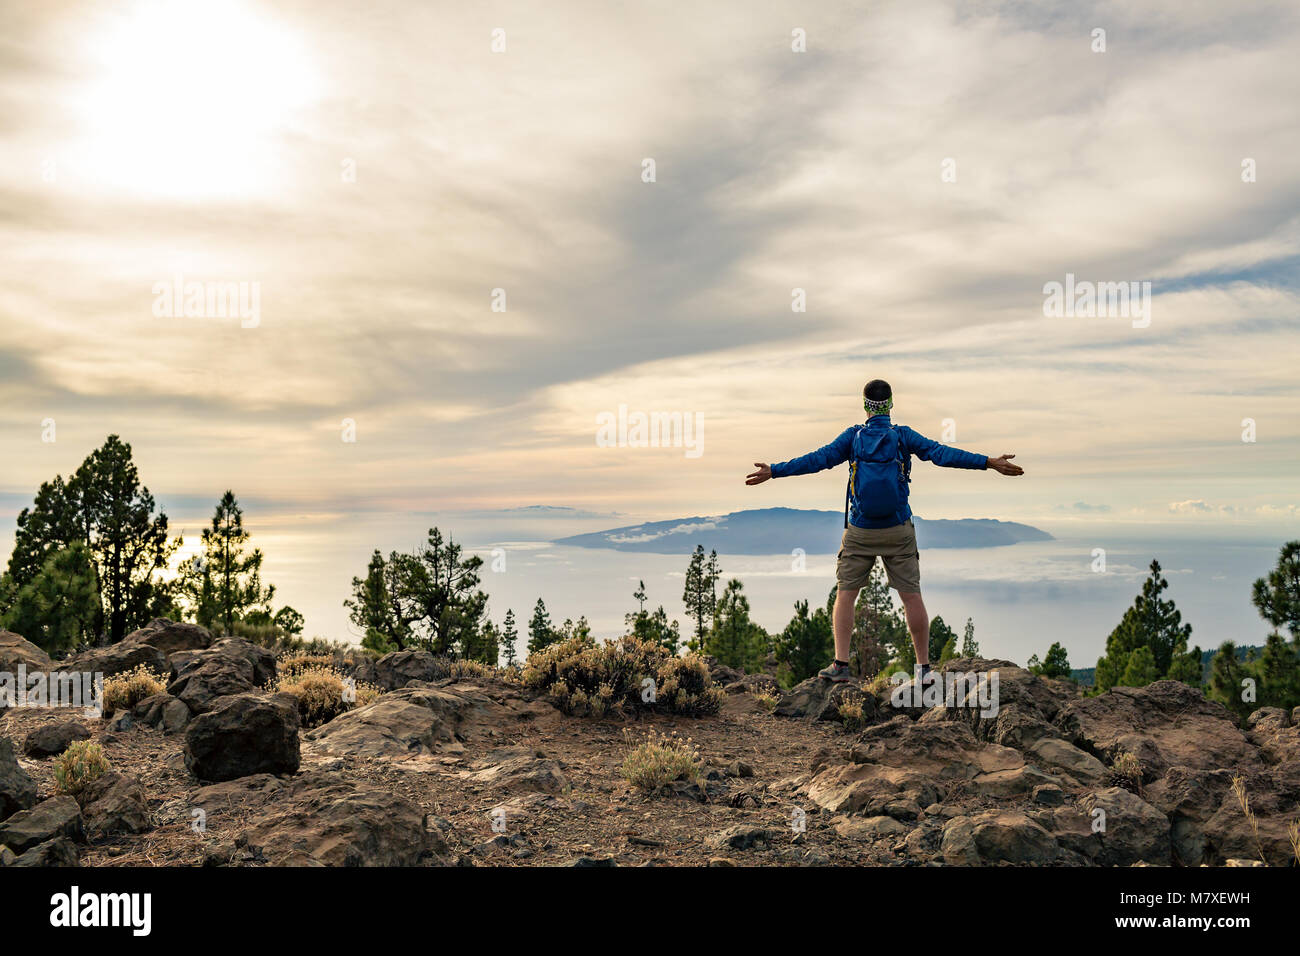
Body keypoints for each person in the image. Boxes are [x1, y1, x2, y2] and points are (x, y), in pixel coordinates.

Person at [745, 379, 1023, 682]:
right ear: (890, 404)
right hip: (898, 529)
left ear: (865, 405)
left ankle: (840, 666)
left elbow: (817, 460)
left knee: (846, 595)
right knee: (911, 596)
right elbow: (941, 453)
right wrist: (988, 462)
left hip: (860, 530)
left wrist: (775, 470)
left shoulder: (852, 438)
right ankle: (924, 670)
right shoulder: (903, 436)